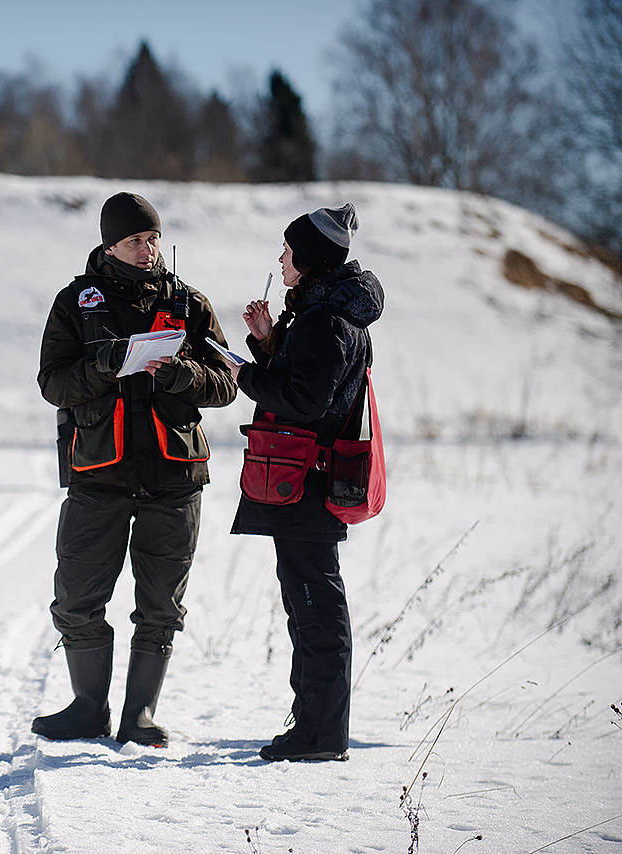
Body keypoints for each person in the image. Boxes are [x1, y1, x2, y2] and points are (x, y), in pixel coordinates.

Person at [34, 192, 237, 747]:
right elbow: (52, 383)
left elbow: (227, 382)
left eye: (153, 239)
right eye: (135, 241)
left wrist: (180, 376)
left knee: (161, 606)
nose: (148, 250)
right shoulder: (75, 302)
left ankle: (139, 716)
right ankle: (86, 709)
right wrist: (103, 366)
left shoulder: (190, 304)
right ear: (109, 244)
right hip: (98, 474)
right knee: (76, 597)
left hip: (175, 480)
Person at [220, 203, 384, 762]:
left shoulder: (325, 320)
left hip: (305, 485)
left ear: (310, 258)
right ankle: (315, 727)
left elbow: (303, 401)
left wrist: (247, 375)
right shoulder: (321, 313)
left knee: (315, 609)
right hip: (308, 482)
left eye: (288, 251)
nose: (281, 259)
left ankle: (319, 734)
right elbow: (310, 385)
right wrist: (268, 344)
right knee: (310, 604)